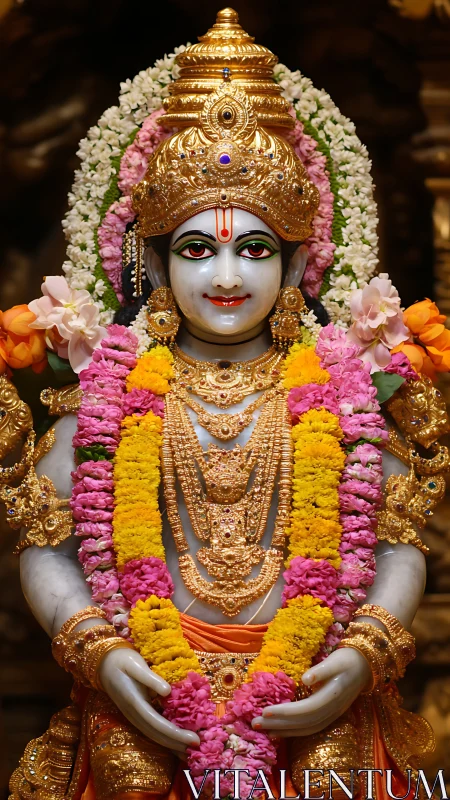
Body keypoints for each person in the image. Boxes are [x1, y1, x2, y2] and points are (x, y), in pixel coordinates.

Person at [3, 9, 446, 800]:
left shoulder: (342, 397)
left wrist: (361, 656)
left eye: (255, 248)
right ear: (155, 260)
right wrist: (96, 648)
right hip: (149, 702)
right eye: (198, 250)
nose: (227, 278)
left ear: (299, 259)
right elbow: (48, 540)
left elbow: (395, 539)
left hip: (316, 706)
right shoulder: (109, 394)